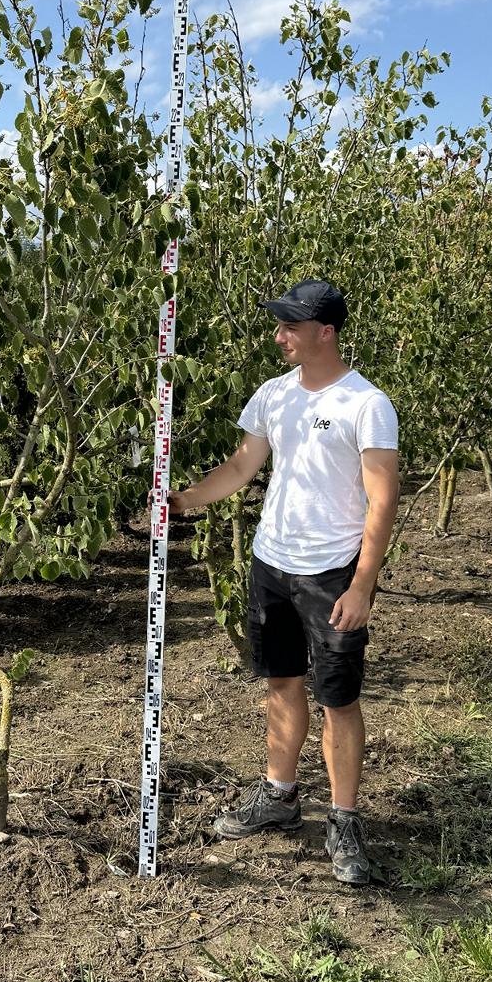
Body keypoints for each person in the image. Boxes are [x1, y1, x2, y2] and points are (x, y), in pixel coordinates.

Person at [169, 279, 399, 885]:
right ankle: (280, 795)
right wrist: (182, 501)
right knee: (281, 682)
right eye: (280, 325)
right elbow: (243, 467)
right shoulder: (273, 396)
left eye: (291, 327)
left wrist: (363, 585)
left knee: (339, 699)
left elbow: (382, 500)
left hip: (331, 574)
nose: (280, 337)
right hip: (272, 563)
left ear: (326, 332)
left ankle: (344, 818)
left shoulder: (366, 404)